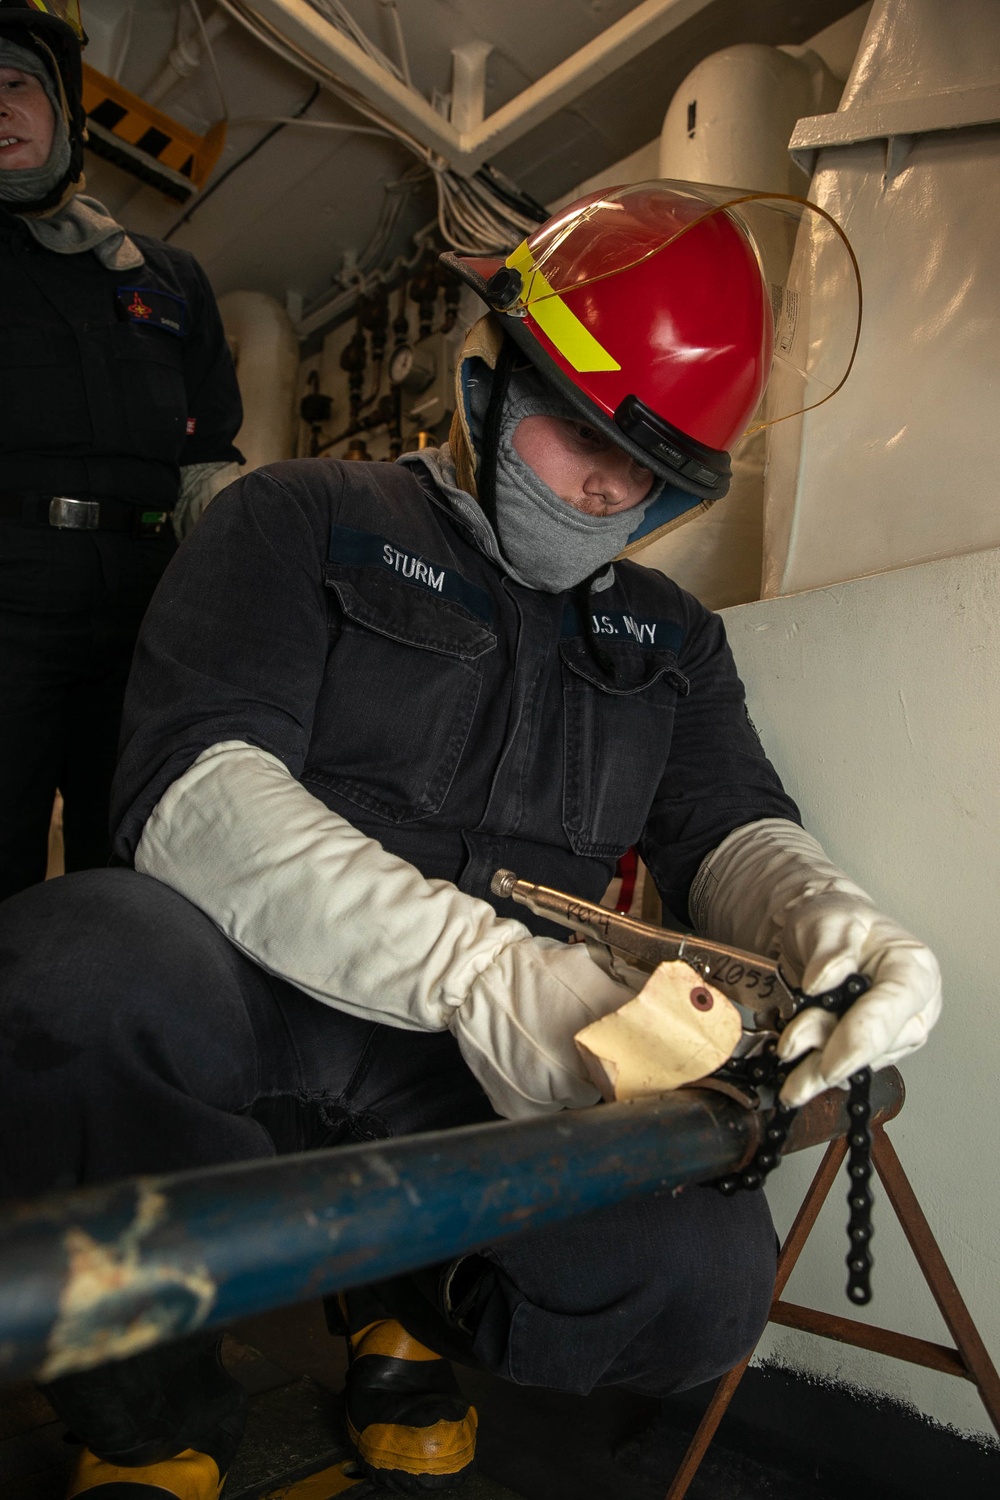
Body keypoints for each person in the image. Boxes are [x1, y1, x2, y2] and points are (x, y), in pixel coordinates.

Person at [0, 180, 942, 1500]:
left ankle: (404, 1304)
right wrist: (484, 974)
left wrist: (834, 923)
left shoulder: (673, 642)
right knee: (76, 963)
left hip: (464, 1079)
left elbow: (731, 826)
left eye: (655, 476)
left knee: (694, 1281)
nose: (614, 487)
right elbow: (192, 792)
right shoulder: (298, 518)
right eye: (583, 435)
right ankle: (145, 1413)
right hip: (256, 1012)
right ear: (493, 373)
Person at [0, 0, 243, 901]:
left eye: (17, 84)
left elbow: (209, 460)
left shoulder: (166, 277)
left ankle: (110, 1027)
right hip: (7, 596)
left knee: (142, 852)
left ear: (63, 108)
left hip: (150, 604)